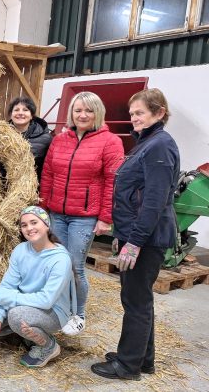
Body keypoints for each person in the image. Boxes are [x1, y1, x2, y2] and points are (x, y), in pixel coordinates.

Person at [91, 88, 179, 381]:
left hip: (147, 240)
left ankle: (128, 366)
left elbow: (154, 200)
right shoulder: (147, 143)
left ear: (159, 113)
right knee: (139, 299)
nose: (134, 119)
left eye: (139, 113)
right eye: (132, 114)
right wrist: (122, 233)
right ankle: (143, 359)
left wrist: (135, 241)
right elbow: (132, 195)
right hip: (135, 236)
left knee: (136, 302)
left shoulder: (159, 146)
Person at [39, 91, 124, 335]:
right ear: (71, 113)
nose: (83, 115)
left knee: (75, 266)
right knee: (57, 265)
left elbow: (113, 182)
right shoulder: (60, 140)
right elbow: (48, 174)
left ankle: (78, 313)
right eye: (78, 110)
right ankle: (59, 309)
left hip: (84, 217)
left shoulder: (110, 142)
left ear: (98, 113)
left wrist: (106, 218)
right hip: (57, 213)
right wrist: (44, 207)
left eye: (88, 110)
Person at [0, 206, 75, 368]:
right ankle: (26, 333)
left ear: (46, 224)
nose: (29, 228)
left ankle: (48, 346)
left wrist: (6, 298)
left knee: (16, 316)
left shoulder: (60, 259)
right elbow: (8, 284)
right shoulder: (20, 250)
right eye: (24, 225)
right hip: (23, 305)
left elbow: (46, 300)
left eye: (34, 222)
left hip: (54, 311)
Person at [7, 97, 52, 182]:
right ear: (11, 115)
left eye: (25, 110)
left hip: (32, 189)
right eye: (16, 110)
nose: (20, 113)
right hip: (2, 189)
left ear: (31, 115)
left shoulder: (46, 139)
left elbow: (48, 169)